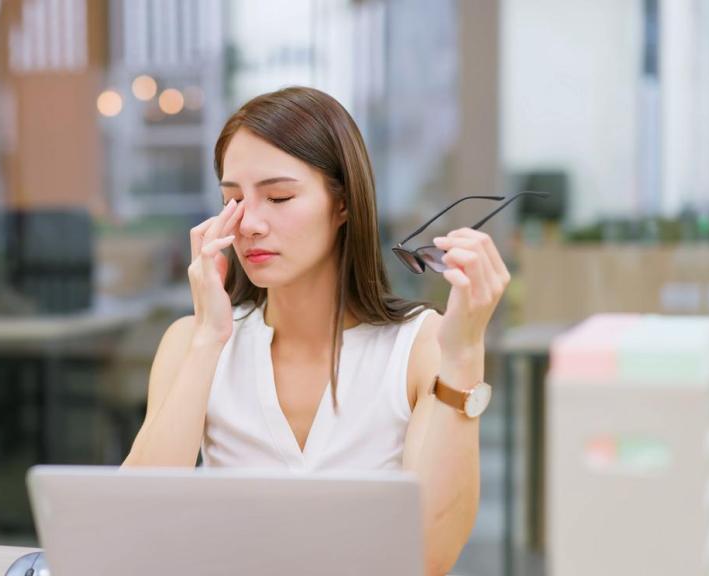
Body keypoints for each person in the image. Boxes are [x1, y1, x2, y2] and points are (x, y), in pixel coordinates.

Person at [123, 86, 510, 575]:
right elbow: (135, 531)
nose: (250, 225)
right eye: (233, 200)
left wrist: (464, 354)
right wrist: (207, 340)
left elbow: (430, 557)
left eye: (279, 196)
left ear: (342, 203)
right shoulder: (192, 340)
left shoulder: (417, 346)